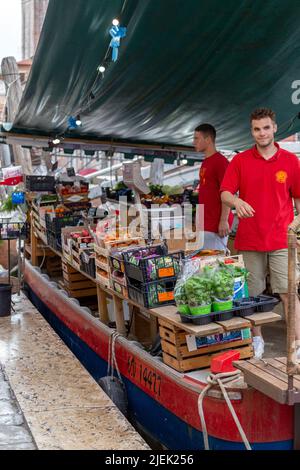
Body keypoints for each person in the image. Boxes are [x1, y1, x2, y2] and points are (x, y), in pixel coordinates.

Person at [220, 107, 300, 359]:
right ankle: (258, 343)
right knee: (252, 297)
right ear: (251, 131)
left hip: (281, 240)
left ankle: (296, 345)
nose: (262, 133)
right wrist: (236, 202)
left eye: (266, 128)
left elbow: (298, 201)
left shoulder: (291, 161)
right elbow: (224, 193)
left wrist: (297, 227)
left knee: (289, 294)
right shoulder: (240, 161)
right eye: (257, 129)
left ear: (275, 128)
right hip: (250, 240)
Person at [193, 124, 233, 250]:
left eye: (196, 138)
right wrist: (198, 219)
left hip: (216, 223)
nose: (193, 142)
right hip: (205, 222)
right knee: (204, 263)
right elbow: (205, 193)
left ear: (208, 139)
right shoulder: (206, 161)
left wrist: (223, 220)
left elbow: (228, 193)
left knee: (214, 265)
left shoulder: (221, 163)